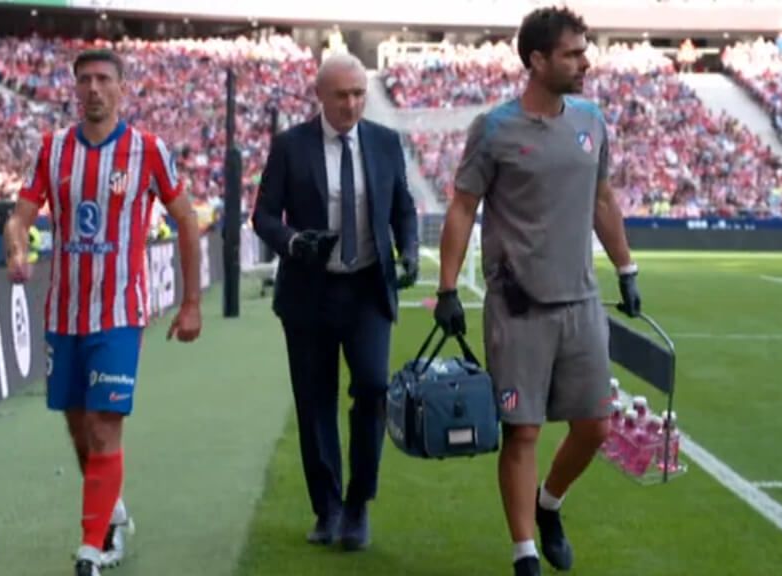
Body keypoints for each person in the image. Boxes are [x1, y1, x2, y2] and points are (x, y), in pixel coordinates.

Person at [433, 8, 641, 576]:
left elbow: (602, 201)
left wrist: (626, 267)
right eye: (573, 53)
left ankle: (549, 504)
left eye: (584, 50)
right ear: (538, 60)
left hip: (581, 301)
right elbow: (463, 205)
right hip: (517, 306)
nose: (585, 61)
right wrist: (447, 288)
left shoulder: (593, 121)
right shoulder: (494, 129)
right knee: (522, 430)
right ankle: (524, 553)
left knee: (596, 425)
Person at [3, 49, 202, 576]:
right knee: (77, 428)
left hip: (119, 313)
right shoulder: (52, 150)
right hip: (64, 313)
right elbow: (19, 217)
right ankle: (110, 510)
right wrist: (17, 248)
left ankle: (93, 545)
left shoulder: (148, 151)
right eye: (85, 79)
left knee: (103, 426)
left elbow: (187, 221)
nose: (93, 88)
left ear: (121, 88)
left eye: (103, 79)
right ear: (75, 88)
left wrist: (191, 303)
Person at [252, 52, 419, 552]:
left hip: (367, 288)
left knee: (371, 387)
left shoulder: (386, 142)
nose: (351, 104)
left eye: (358, 94)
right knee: (314, 401)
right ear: (319, 96)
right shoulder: (290, 146)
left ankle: (357, 503)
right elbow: (262, 215)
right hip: (309, 293)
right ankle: (327, 509)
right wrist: (293, 242)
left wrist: (408, 250)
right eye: (341, 94)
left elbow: (403, 208)